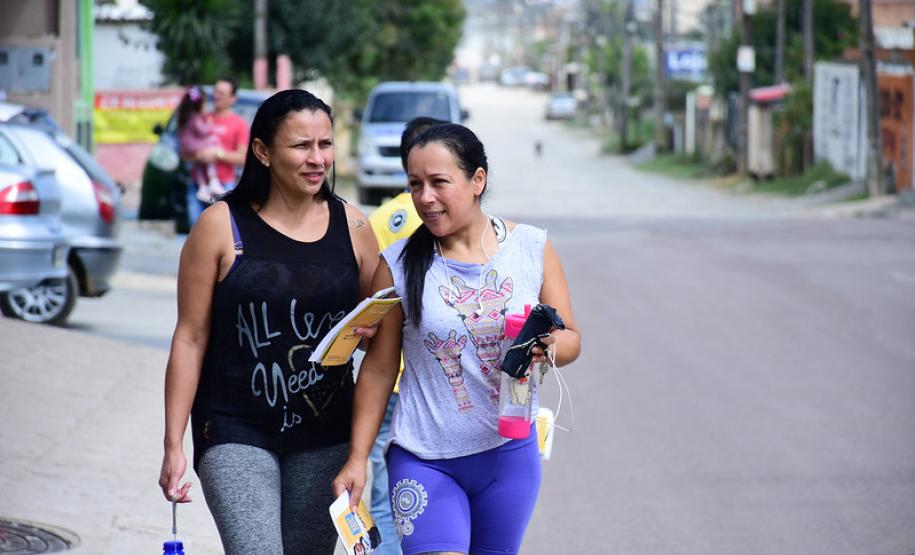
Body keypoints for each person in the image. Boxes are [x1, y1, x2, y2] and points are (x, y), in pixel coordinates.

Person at [333, 123, 581, 555]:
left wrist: (548, 348)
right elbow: (377, 368)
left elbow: (572, 338)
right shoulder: (397, 267)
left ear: (477, 180)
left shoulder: (530, 248)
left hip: (508, 454)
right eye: (415, 184)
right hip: (423, 458)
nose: (425, 197)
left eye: (438, 183)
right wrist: (358, 458)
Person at [158, 89, 380, 554]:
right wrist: (173, 442)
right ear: (262, 151)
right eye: (301, 146)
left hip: (326, 437)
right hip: (235, 430)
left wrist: (366, 335)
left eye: (325, 144)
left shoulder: (355, 228)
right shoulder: (221, 226)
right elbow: (191, 337)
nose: (317, 159)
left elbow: (370, 335)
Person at [365, 116, 446, 555]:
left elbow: (367, 304)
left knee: (386, 498)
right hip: (431, 387)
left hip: (391, 382)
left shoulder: (381, 219)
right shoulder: (457, 221)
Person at [185, 78, 249, 227]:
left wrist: (217, 154)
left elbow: (243, 157)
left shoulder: (239, 124)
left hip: (224, 186)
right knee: (195, 232)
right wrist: (197, 154)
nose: (216, 96)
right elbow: (185, 150)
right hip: (197, 184)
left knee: (220, 231)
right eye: (215, 91)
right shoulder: (201, 118)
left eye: (222, 93)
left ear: (233, 99)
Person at [176, 85, 224, 204]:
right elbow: (203, 130)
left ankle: (202, 187)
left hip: (187, 147)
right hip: (194, 146)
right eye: (205, 103)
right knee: (212, 144)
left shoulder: (184, 117)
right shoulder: (196, 117)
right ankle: (213, 180)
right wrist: (209, 124)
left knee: (198, 165)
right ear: (199, 104)